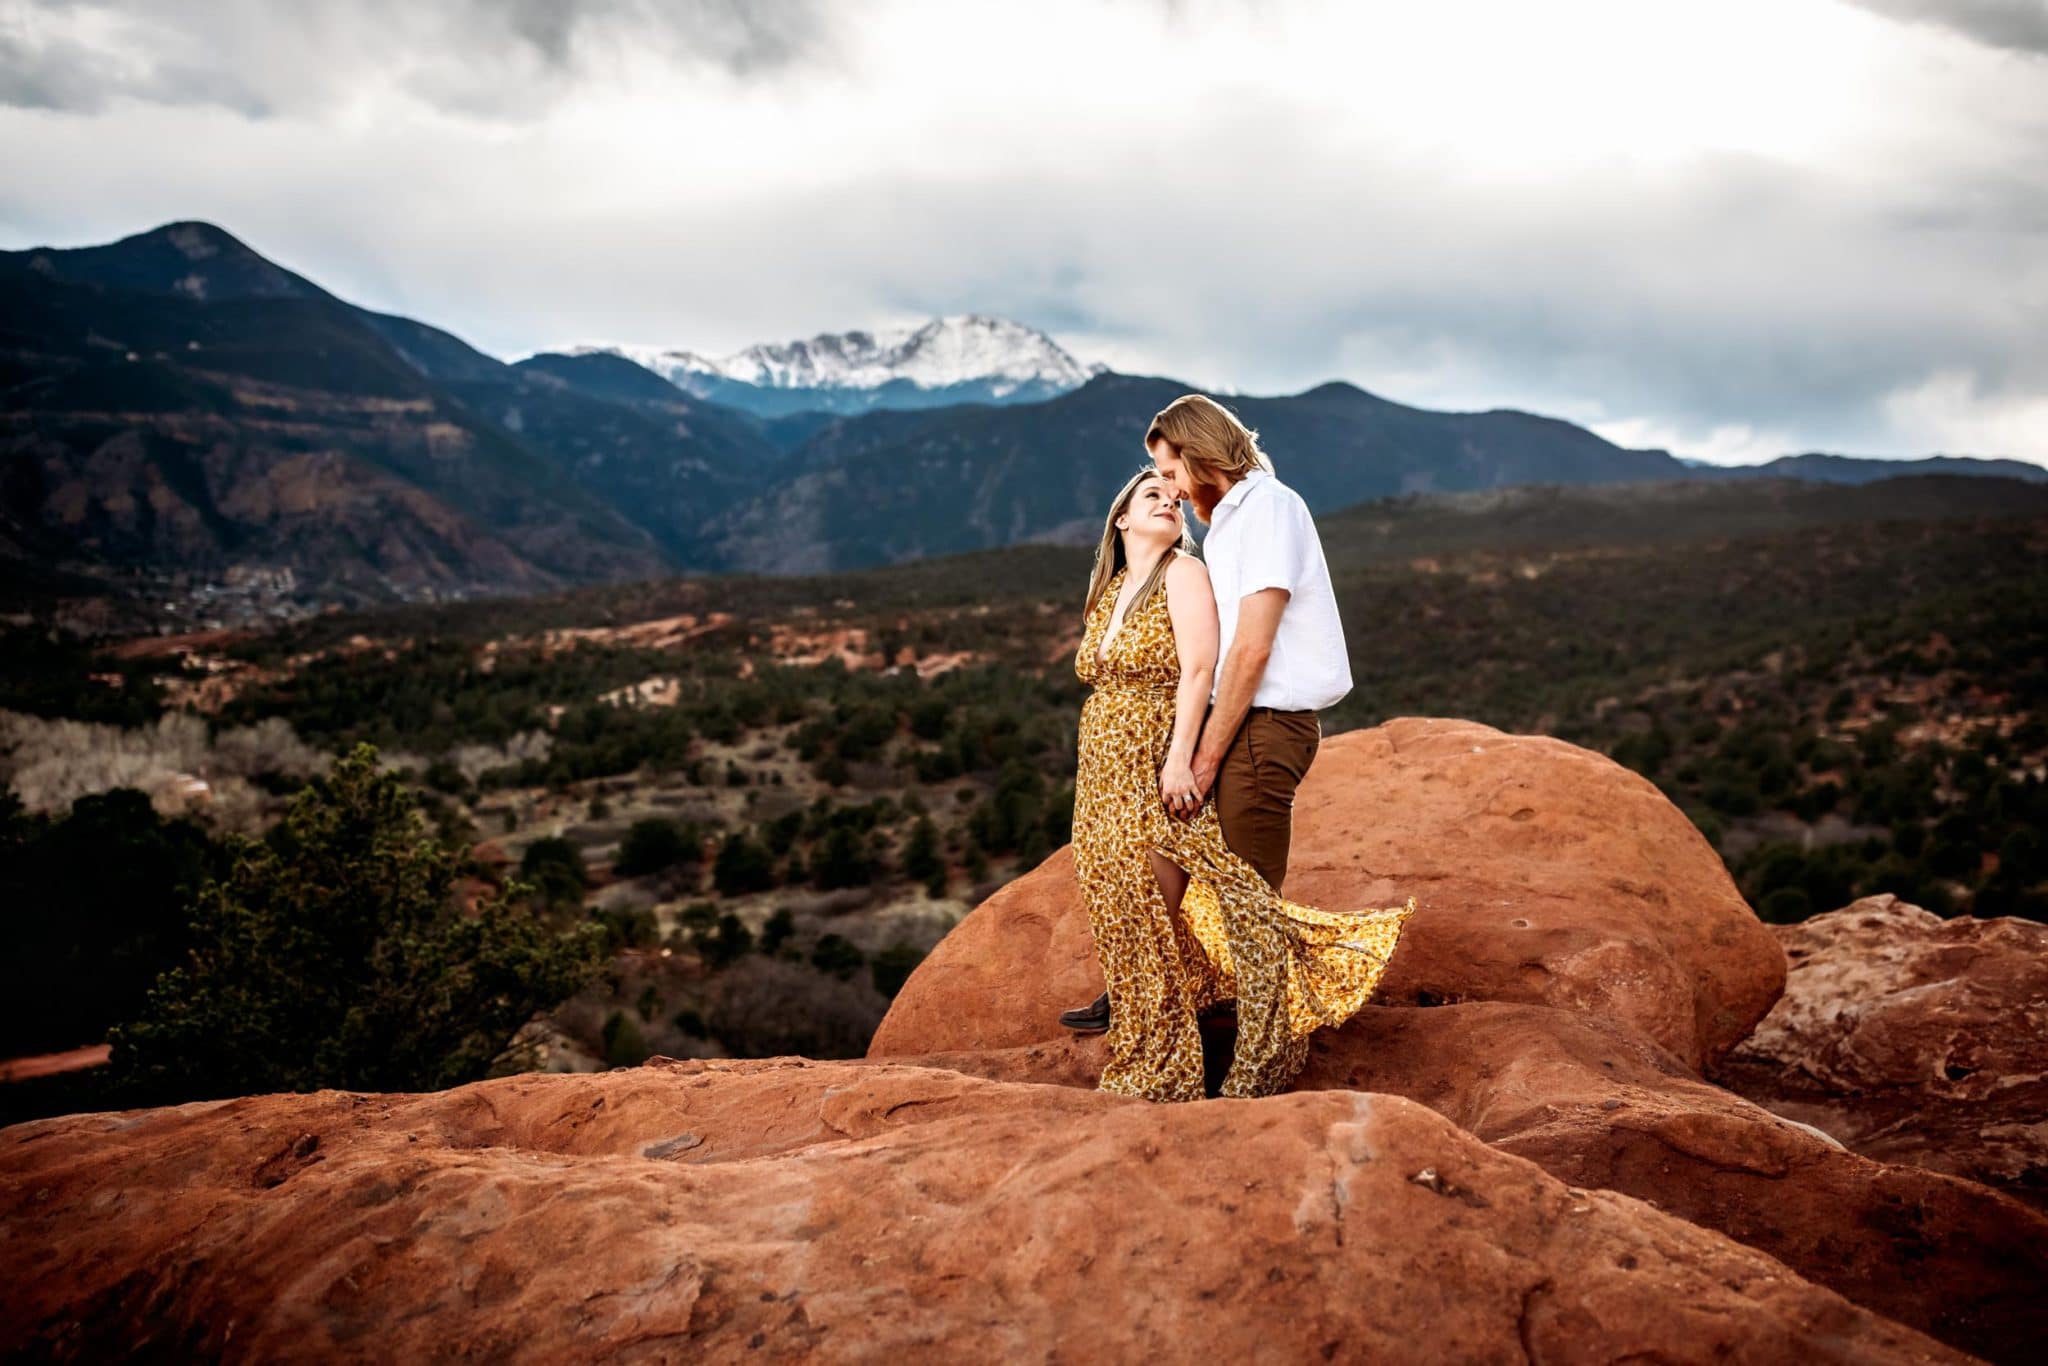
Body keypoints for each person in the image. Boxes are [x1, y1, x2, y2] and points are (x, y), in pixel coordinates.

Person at [1067, 457, 1412, 1103]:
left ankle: (1180, 1059)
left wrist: (1181, 759)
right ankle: (1140, 1013)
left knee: (1165, 899)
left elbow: (1200, 673)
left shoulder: (1184, 573)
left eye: (1174, 494)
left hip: (1154, 755)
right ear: (1120, 517)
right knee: (1117, 903)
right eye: (1153, 493)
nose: (1169, 500)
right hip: (1101, 770)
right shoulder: (1108, 591)